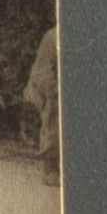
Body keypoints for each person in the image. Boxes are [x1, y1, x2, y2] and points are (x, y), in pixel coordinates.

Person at [25, 23, 60, 187]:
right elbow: (41, 71)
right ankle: (51, 166)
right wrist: (55, 89)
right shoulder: (53, 37)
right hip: (54, 90)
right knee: (54, 119)